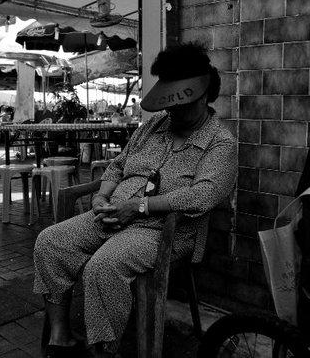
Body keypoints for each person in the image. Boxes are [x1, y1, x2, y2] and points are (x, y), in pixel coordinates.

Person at [32, 43, 238, 357]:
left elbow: (202, 195)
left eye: (183, 105)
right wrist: (102, 197)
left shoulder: (220, 143)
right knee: (51, 242)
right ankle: (60, 337)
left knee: (103, 267)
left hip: (164, 230)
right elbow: (117, 165)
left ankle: (104, 350)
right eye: (170, 105)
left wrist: (139, 206)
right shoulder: (154, 126)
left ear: (205, 96)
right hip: (114, 212)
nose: (174, 112)